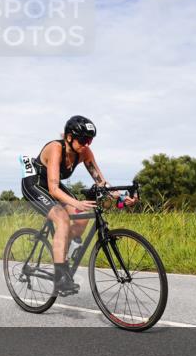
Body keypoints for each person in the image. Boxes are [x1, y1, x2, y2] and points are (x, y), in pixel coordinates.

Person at [21, 116, 136, 293]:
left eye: (90, 140)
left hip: (53, 184)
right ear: (69, 137)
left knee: (82, 217)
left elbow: (100, 182)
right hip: (34, 184)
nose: (87, 144)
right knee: (62, 219)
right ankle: (60, 277)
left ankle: (63, 254)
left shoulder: (85, 153)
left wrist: (120, 196)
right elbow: (53, 189)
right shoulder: (56, 148)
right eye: (83, 140)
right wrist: (76, 202)